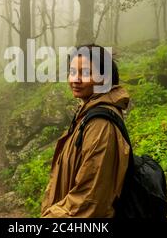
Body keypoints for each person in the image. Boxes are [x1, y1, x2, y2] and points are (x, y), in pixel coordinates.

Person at [41, 44, 131, 218]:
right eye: (73, 71)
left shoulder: (101, 124)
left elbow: (89, 201)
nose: (76, 79)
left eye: (86, 73)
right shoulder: (86, 114)